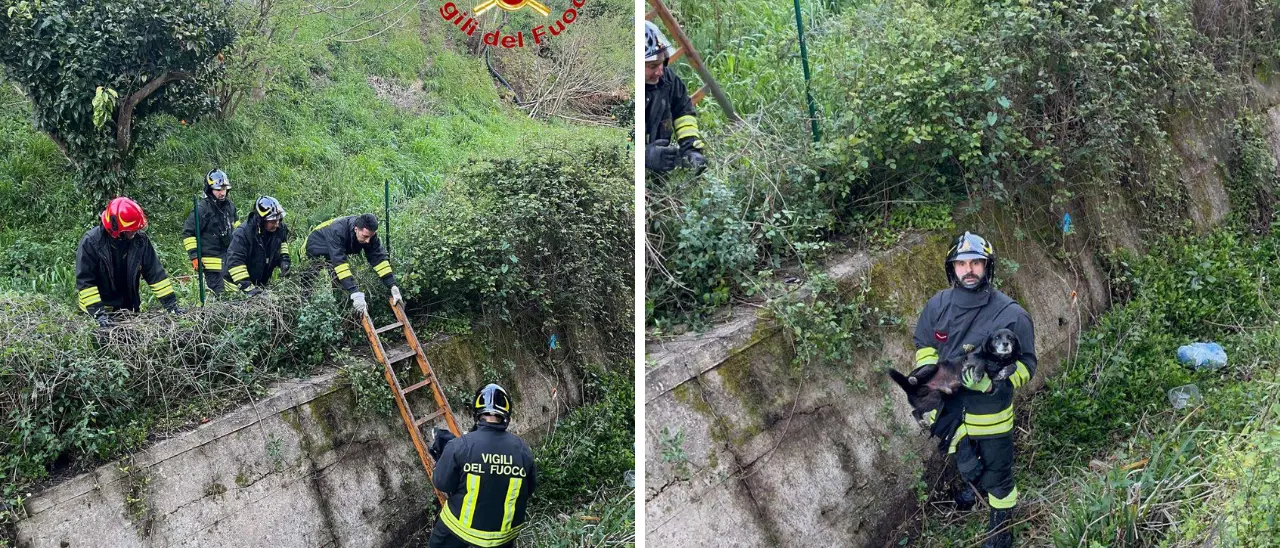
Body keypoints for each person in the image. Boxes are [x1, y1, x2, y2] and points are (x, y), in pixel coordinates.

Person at [908, 232, 1036, 548]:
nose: (969, 270)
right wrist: (929, 373)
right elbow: (925, 344)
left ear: (987, 266)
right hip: (949, 408)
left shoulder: (1012, 314)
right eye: (962, 263)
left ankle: (1000, 531)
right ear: (952, 268)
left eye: (976, 263)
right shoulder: (937, 305)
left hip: (990, 414)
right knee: (965, 459)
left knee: (998, 476)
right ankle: (973, 486)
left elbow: (1027, 364)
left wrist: (996, 382)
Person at [429, 384, 537, 548]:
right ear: (506, 414)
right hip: (503, 538)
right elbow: (529, 489)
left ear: (477, 412)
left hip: (460, 530)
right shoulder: (523, 450)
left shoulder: (460, 445)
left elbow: (442, 483)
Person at [75, 197, 180, 326]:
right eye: (131, 230)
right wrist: (98, 314)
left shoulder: (140, 241)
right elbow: (85, 282)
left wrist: (171, 305)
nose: (135, 232)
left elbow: (155, 274)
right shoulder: (91, 242)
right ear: (115, 228)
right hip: (96, 312)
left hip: (127, 311)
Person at [303, 213, 401, 314]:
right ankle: (305, 307)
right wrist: (355, 293)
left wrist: (392, 285)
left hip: (333, 244)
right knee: (310, 279)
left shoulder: (368, 235)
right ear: (356, 229)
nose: (368, 241)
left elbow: (378, 258)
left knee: (339, 281)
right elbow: (340, 264)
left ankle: (340, 308)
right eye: (365, 236)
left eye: (370, 237)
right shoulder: (337, 231)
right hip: (314, 244)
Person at [644, 20, 706, 175]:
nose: (660, 71)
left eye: (662, 62)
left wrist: (690, 149)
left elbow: (683, 112)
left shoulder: (668, 79)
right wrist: (642, 157)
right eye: (652, 66)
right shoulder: (622, 95)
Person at [182, 169, 239, 295]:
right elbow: (188, 233)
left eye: (224, 189)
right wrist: (194, 256)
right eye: (218, 190)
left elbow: (237, 228)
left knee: (236, 293)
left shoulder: (230, 206)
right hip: (211, 265)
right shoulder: (201, 209)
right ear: (210, 190)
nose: (222, 193)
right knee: (222, 295)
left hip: (229, 260)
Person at [224, 196, 291, 296]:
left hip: (259, 284)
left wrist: (284, 259)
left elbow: (282, 243)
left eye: (279, 219)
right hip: (236, 287)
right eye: (273, 221)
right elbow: (235, 262)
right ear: (261, 220)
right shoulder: (242, 234)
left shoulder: (279, 229)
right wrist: (247, 287)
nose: (277, 224)